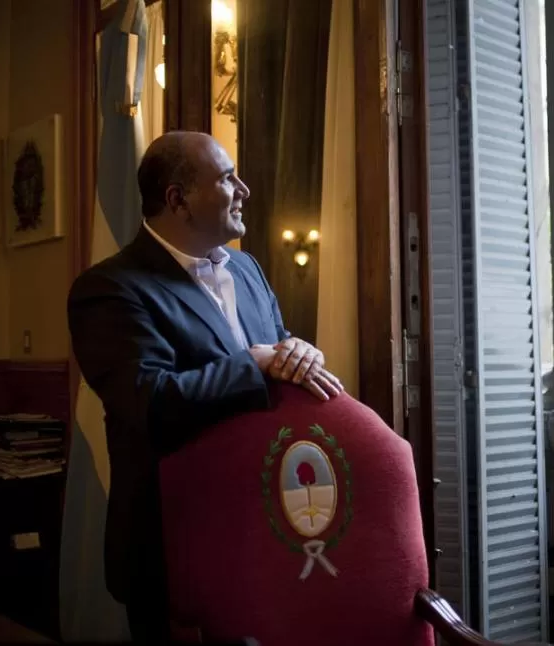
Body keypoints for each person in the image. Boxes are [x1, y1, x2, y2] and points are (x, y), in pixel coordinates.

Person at [67, 131, 343, 642]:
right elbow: (148, 401)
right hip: (172, 547)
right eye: (226, 178)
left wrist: (300, 353)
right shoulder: (108, 288)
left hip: (262, 530)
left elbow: (276, 353)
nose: (245, 188)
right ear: (178, 200)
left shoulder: (248, 268)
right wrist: (254, 363)